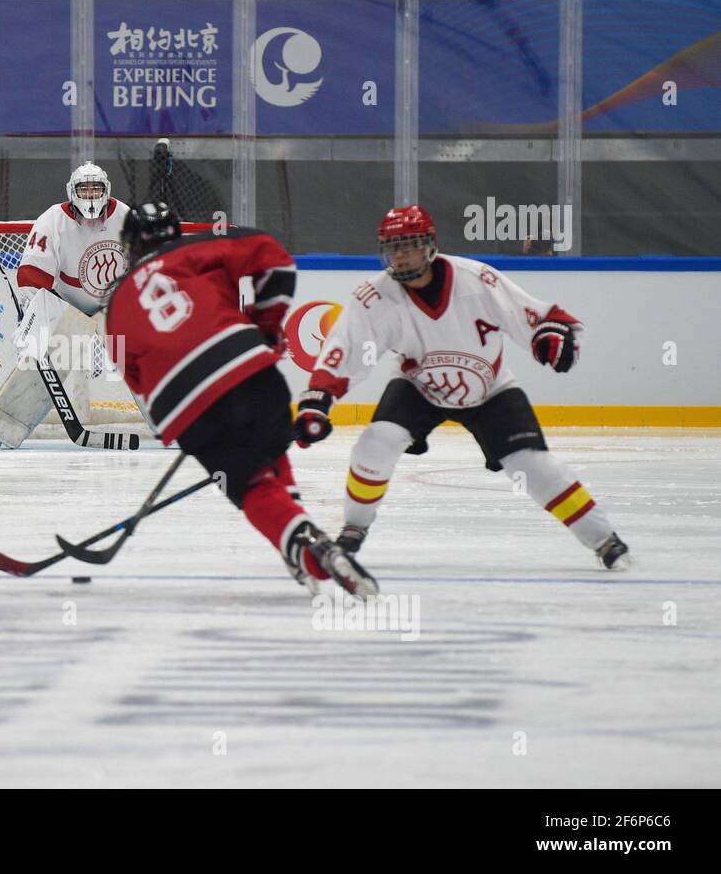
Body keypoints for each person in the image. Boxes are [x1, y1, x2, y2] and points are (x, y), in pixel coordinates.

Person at [293, 204, 633, 570]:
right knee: (375, 442)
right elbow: (345, 350)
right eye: (394, 248)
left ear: (430, 245)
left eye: (410, 245)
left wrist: (553, 338)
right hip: (417, 386)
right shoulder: (374, 298)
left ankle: (605, 541)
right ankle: (354, 530)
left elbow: (545, 319)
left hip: (492, 390)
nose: (402, 256)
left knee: (532, 466)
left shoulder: (477, 280)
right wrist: (319, 399)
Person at [103, 202, 378, 597]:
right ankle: (299, 538)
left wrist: (181, 422)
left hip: (186, 405)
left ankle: (303, 544)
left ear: (129, 245)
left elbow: (134, 378)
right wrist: (265, 327)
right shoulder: (198, 247)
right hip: (251, 371)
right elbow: (277, 260)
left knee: (251, 486)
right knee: (270, 446)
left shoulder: (116, 305)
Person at [0, 161, 130, 448]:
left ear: (107, 190)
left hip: (115, 306)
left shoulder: (126, 217)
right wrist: (33, 311)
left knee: (144, 357)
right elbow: (33, 273)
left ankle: (172, 421)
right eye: (84, 189)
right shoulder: (53, 219)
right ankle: (8, 426)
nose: (90, 195)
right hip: (69, 307)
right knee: (48, 359)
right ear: (71, 192)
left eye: (95, 188)